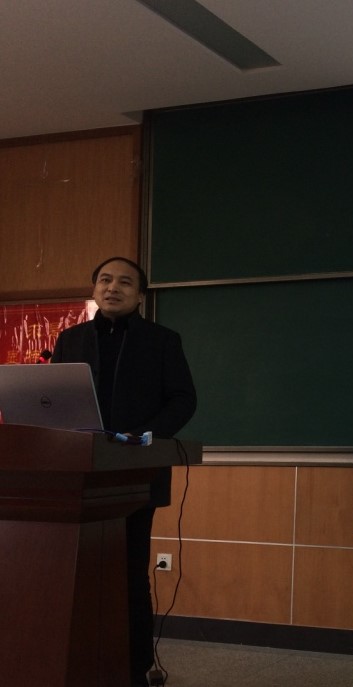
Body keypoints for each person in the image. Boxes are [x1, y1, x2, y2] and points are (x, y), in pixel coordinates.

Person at [51, 256, 197, 687]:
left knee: (130, 575)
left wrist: (142, 438)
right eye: (105, 280)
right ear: (95, 288)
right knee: (73, 577)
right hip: (76, 479)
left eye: (125, 282)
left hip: (134, 475)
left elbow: (183, 400)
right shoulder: (70, 339)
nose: (113, 288)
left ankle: (135, 670)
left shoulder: (162, 341)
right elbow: (52, 399)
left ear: (140, 295)